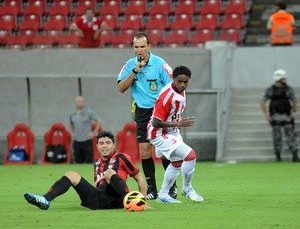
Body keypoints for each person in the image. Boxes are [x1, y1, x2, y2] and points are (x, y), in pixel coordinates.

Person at [24, 131, 150, 210]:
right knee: (71, 174)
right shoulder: (96, 162)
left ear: (113, 145)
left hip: (117, 199)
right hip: (98, 199)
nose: (104, 146)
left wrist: (142, 200)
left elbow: (139, 177)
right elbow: (97, 183)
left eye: (108, 143)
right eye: (101, 143)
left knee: (109, 173)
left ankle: (129, 200)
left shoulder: (122, 157)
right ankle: (45, 199)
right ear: (97, 146)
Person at [117, 32, 176, 200]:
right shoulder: (129, 65)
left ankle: (171, 186)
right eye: (136, 47)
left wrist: (168, 109)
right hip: (142, 111)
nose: (139, 50)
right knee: (144, 151)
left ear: (149, 46)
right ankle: (152, 189)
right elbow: (121, 88)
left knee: (163, 151)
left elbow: (172, 86)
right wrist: (135, 71)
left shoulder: (160, 64)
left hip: (160, 111)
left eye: (142, 46)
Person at [147, 65, 204, 203]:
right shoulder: (167, 97)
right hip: (159, 133)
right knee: (191, 156)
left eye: (186, 82)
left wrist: (177, 123)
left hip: (172, 131)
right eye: (180, 81)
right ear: (173, 79)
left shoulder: (180, 90)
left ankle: (163, 195)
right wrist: (179, 124)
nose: (183, 85)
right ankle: (187, 188)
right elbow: (155, 122)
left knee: (177, 162)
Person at [260, 69, 299, 162]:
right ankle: (278, 155)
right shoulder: (270, 90)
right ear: (278, 78)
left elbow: (294, 99)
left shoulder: (288, 89)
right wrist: (266, 114)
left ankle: (294, 154)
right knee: (277, 137)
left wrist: (293, 111)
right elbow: (262, 101)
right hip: (275, 116)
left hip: (286, 115)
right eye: (283, 78)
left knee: (291, 135)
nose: (285, 80)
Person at [70, 96, 102, 163]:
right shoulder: (72, 113)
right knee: (78, 161)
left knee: (89, 161)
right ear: (75, 103)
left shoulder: (89, 112)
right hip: (76, 140)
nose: (80, 103)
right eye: (78, 102)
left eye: (81, 101)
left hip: (86, 140)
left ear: (84, 102)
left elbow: (98, 121)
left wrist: (94, 132)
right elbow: (71, 123)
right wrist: (72, 132)